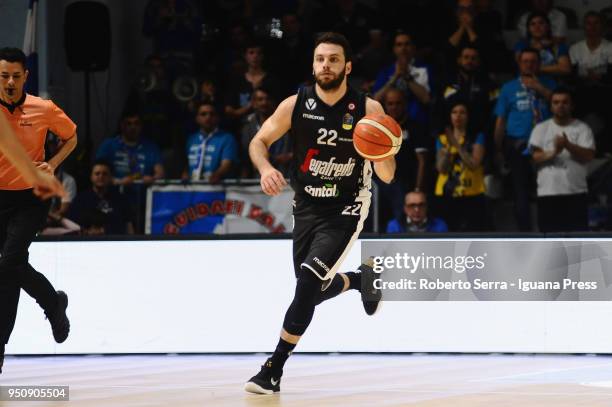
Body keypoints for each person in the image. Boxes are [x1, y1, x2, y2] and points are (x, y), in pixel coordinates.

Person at [245, 32, 397, 394]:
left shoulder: (368, 110)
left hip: (347, 207)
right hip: (306, 206)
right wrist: (266, 168)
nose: (325, 65)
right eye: (319, 59)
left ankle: (273, 368)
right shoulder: (294, 104)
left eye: (332, 59)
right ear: (313, 64)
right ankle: (361, 280)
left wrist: (384, 149)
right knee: (311, 287)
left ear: (347, 66)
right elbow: (258, 141)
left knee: (309, 282)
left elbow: (388, 177)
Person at [0, 47, 76, 373]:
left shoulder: (43, 109)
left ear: (25, 76)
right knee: (9, 272)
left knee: (8, 264)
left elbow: (71, 137)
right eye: (4, 76)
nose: (10, 82)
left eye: (16, 76)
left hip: (31, 198)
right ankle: (54, 303)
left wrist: (53, 163)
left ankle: (48, 308)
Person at [494, 48, 555, 231]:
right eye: (525, 61)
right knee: (520, 191)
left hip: (546, 144)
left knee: (546, 189)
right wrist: (498, 149)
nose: (529, 64)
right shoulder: (509, 88)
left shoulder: (549, 83)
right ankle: (525, 233)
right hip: (517, 143)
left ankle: (547, 231)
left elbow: (561, 103)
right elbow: (501, 120)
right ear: (519, 64)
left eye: (533, 61)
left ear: (538, 64)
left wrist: (540, 89)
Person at [529, 88, 595, 232]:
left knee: (578, 241)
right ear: (551, 106)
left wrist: (568, 145)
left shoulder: (583, 128)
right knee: (550, 241)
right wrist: (555, 152)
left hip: (575, 193)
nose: (560, 105)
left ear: (572, 106)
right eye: (556, 102)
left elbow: (589, 156)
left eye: (565, 102)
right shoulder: (541, 128)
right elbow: (535, 158)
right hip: (548, 194)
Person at [435, 101, 487, 231]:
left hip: (472, 192)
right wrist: (448, 150)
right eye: (454, 112)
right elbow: (441, 168)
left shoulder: (477, 136)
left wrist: (456, 145)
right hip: (447, 193)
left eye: (462, 112)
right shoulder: (442, 138)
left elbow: (474, 164)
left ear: (468, 116)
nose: (458, 116)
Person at [372, 32, 432, 124]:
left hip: (418, 124)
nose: (403, 48)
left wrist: (407, 76)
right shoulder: (385, 71)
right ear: (394, 49)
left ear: (413, 47)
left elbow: (426, 99)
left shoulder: (424, 69)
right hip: (390, 124)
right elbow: (376, 99)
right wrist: (395, 76)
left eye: (407, 44)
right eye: (399, 45)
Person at [69, 161, 135, 235]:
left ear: (110, 177)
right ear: (91, 177)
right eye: (97, 174)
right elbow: (73, 226)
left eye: (105, 174)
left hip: (114, 243)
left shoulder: (121, 199)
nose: (101, 177)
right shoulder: (80, 199)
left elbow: (129, 226)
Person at [184, 101, 238, 183]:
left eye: (212, 114)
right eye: (203, 114)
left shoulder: (227, 138)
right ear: (197, 118)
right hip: (192, 188)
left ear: (217, 118)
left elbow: (226, 164)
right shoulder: (191, 139)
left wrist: (217, 174)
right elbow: (187, 163)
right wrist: (185, 173)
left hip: (216, 187)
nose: (208, 117)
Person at [514, 12, 571, 78]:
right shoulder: (521, 45)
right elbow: (522, 67)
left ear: (548, 26)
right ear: (528, 29)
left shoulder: (558, 46)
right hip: (525, 83)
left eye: (541, 23)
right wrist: (536, 48)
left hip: (551, 84)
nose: (537, 27)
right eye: (532, 24)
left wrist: (535, 68)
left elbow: (565, 69)